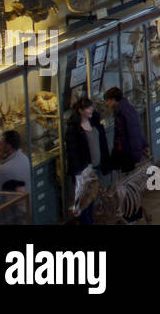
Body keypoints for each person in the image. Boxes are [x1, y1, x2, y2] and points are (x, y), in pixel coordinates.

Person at [64, 96, 110, 225]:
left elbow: (101, 143)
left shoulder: (94, 121)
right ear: (80, 110)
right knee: (84, 202)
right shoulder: (74, 129)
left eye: (91, 107)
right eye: (88, 107)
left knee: (92, 197)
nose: (91, 109)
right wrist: (78, 172)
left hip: (95, 167)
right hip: (83, 171)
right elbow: (72, 152)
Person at [103, 87, 149, 173]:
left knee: (128, 173)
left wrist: (141, 146)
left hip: (127, 150)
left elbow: (133, 130)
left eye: (107, 100)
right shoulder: (124, 108)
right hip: (125, 148)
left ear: (113, 99)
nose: (106, 103)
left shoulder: (122, 111)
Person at [0, 130, 31, 203]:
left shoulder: (2, 170)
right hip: (25, 205)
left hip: (10, 209)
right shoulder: (24, 158)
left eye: (1, 143)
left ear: (8, 146)